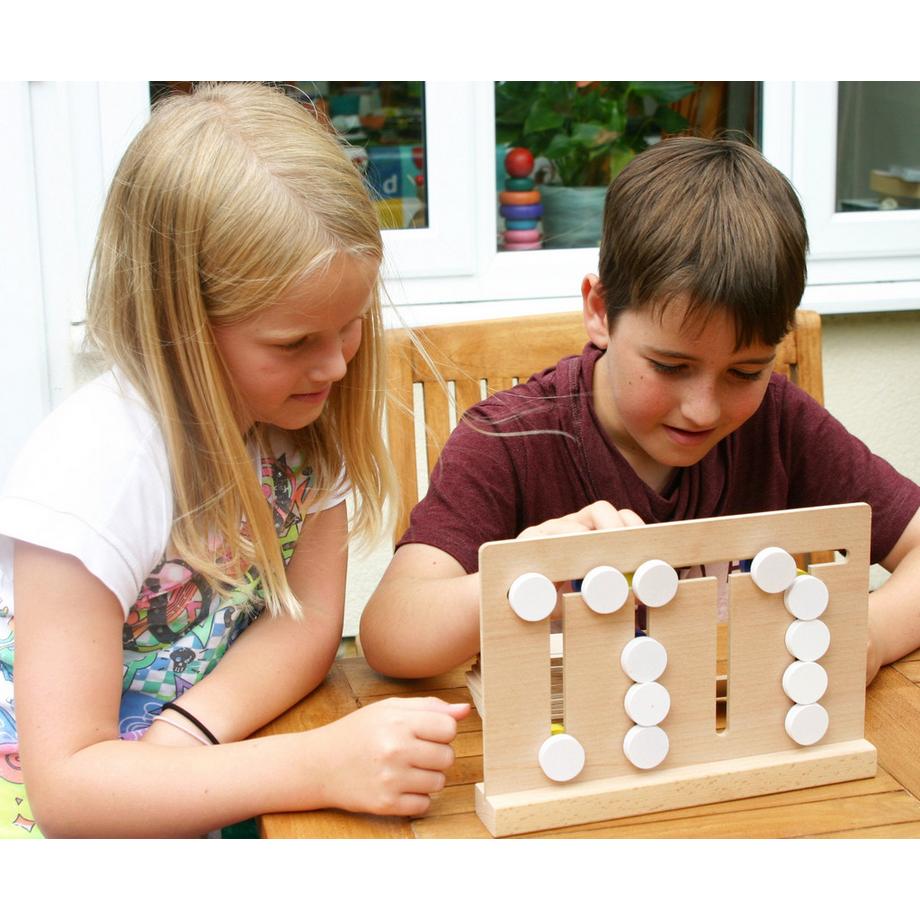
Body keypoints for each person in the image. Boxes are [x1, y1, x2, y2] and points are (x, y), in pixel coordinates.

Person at [0, 83, 468, 839]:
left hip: (202, 778)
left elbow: (308, 619)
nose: (336, 368)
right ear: (177, 318)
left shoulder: (297, 420)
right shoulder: (93, 471)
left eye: (350, 328)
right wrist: (319, 764)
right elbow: (67, 790)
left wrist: (190, 730)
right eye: (294, 343)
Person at [360, 136, 920, 686]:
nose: (702, 410)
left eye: (745, 372)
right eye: (671, 366)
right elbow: (391, 633)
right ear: (601, 311)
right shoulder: (509, 439)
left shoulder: (780, 422)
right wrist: (525, 570)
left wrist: (869, 631)